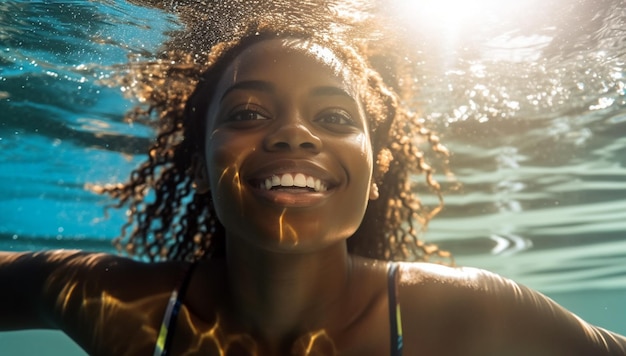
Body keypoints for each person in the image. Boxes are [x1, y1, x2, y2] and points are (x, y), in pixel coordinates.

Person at [2, 6, 626, 356]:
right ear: (199, 163)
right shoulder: (114, 306)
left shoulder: (464, 313)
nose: (295, 135)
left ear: (376, 170)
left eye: (332, 117)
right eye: (247, 112)